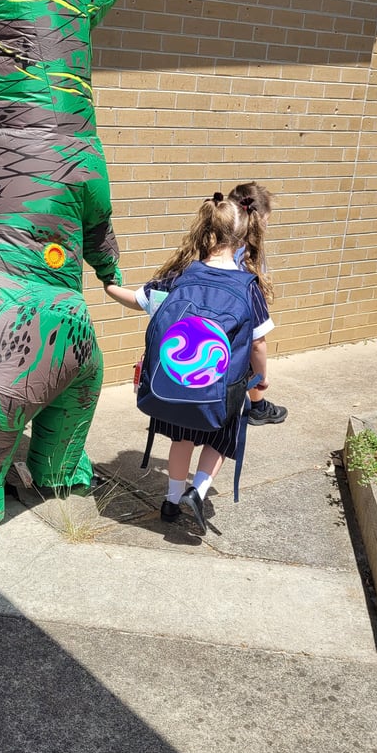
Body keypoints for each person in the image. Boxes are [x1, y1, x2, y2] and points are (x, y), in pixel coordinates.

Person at [105, 193, 274, 533]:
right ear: (245, 238)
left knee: (180, 441)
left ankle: (170, 501)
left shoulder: (182, 275)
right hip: (220, 390)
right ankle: (197, 493)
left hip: (178, 383)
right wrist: (262, 378)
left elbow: (138, 300)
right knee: (218, 441)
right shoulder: (247, 286)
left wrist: (108, 284)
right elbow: (258, 342)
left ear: (207, 229)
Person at [227, 181, 287, 426]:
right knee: (251, 343)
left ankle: (257, 404)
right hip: (235, 350)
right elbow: (257, 344)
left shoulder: (215, 246)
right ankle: (257, 406)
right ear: (260, 219)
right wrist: (262, 377)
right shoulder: (247, 260)